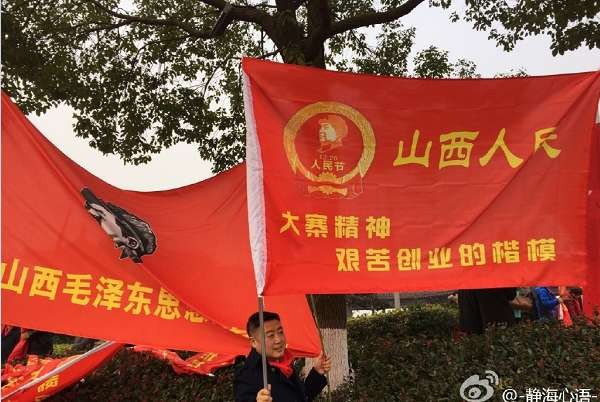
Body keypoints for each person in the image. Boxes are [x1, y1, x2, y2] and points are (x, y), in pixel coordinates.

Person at [233, 312, 331, 402]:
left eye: (280, 332)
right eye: (271, 335)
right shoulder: (246, 375)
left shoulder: (285, 363)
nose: (278, 339)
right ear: (254, 342)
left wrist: (317, 372)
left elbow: (301, 397)